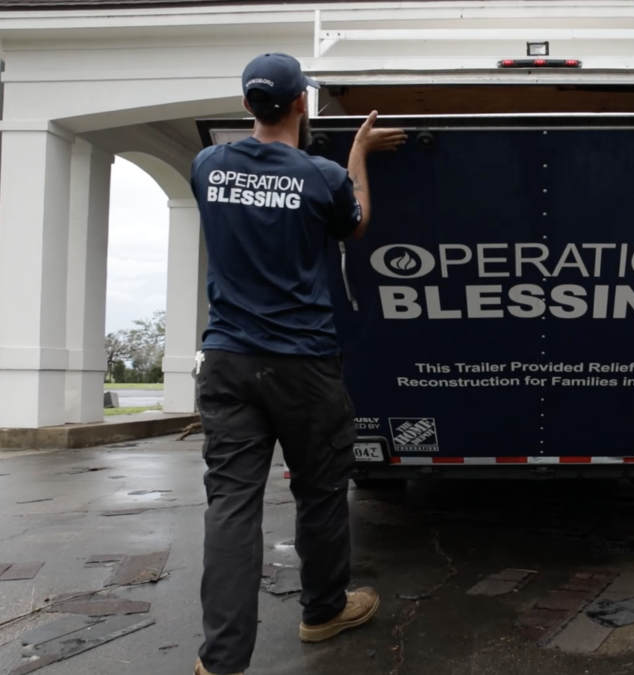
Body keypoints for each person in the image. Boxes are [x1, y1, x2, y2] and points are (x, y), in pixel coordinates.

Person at [188, 52, 406, 675]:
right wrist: (358, 154)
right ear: (301, 104)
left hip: (228, 361)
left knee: (231, 503)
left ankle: (221, 662)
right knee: (318, 494)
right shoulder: (321, 177)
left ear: (247, 106)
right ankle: (322, 611)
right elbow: (356, 224)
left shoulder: (207, 166)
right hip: (304, 365)